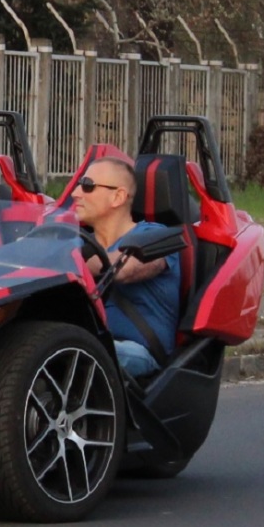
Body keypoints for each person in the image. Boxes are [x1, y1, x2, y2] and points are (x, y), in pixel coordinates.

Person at [70, 157, 181, 377]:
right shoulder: (78, 243)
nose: (75, 193)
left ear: (118, 196)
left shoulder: (155, 236)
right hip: (84, 340)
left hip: (137, 350)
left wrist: (63, 258)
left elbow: (122, 269)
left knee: (75, 351)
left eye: (87, 186)